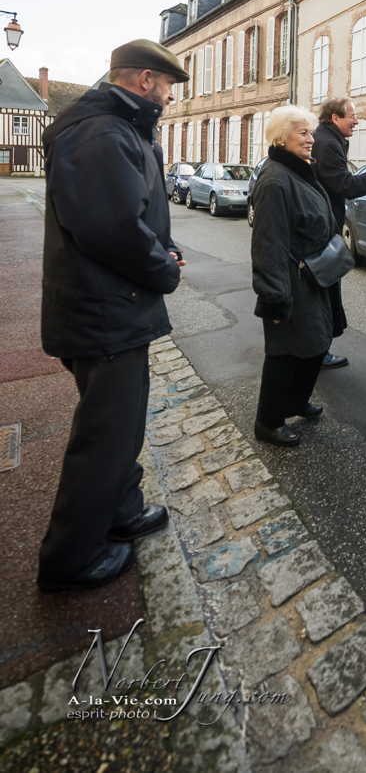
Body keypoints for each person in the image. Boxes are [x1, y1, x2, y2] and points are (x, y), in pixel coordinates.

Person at [37, 39, 188, 593]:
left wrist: (162, 249)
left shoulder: (117, 127)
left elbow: (133, 215)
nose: (170, 98)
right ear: (145, 80)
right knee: (105, 436)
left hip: (110, 306)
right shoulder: (103, 132)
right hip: (104, 311)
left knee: (119, 430)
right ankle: (70, 556)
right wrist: (163, 270)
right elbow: (111, 229)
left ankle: (121, 510)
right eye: (168, 86)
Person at [251, 106, 344, 447]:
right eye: (303, 133)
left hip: (315, 276)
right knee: (286, 352)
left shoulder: (300, 171)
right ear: (280, 137)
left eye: (311, 132)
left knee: (316, 344)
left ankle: (296, 402)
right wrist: (274, 294)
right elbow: (267, 243)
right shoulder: (275, 180)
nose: (311, 139)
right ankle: (269, 421)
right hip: (290, 282)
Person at [312, 98, 366, 368]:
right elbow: (345, 185)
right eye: (352, 115)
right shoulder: (327, 144)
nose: (357, 120)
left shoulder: (329, 139)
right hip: (323, 226)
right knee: (324, 289)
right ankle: (318, 352)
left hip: (324, 222)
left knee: (325, 288)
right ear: (335, 118)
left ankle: (319, 349)